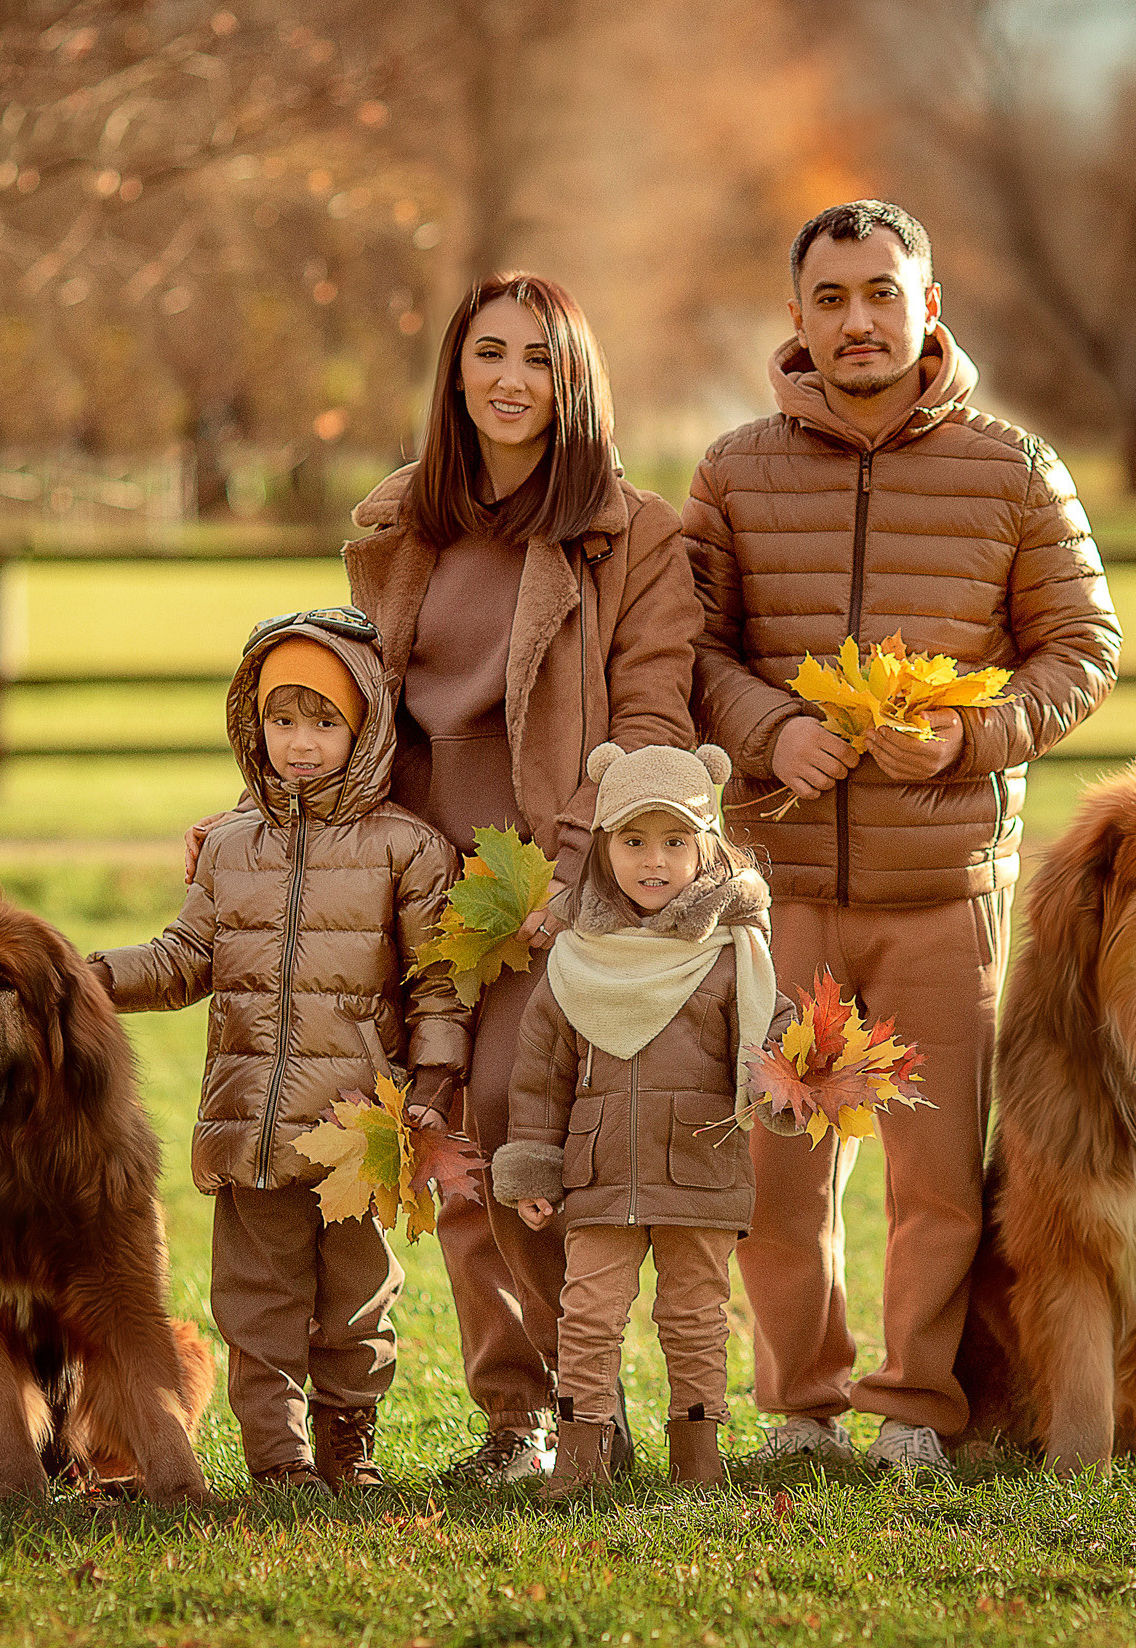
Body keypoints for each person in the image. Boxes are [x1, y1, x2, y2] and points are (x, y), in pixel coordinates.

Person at [193, 272, 701, 1483]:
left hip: (545, 874)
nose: (511, 377)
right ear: (456, 372)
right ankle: (514, 1420)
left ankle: (589, 1398)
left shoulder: (631, 534)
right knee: (445, 1147)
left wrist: (572, 868)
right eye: (487, 352)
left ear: (575, 376)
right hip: (412, 867)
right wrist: (261, 819)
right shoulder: (401, 527)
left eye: (537, 355)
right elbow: (345, 704)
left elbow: (649, 714)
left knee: (526, 1141)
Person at [684, 199, 1123, 1471]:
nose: (858, 320)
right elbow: (692, 649)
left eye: (882, 293)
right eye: (831, 299)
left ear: (928, 306)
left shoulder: (1015, 468)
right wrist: (766, 731)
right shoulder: (732, 470)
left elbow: (1082, 649)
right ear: (797, 319)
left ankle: (913, 1413)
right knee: (777, 1179)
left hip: (943, 890)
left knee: (936, 1182)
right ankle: (806, 1411)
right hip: (775, 890)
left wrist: (970, 742)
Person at [94, 610, 472, 1495]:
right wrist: (92, 977)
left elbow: (439, 984)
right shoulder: (229, 847)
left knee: (356, 1301)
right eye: (281, 720)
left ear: (365, 726)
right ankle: (279, 1461)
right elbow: (185, 959)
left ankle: (349, 1449)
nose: (300, 744)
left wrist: (436, 1083)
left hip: (358, 1130)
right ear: (250, 725)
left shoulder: (405, 850)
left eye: (324, 722)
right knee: (257, 1307)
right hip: (251, 1130)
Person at [491, 742, 791, 1499]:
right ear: (603, 848)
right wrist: (535, 1165)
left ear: (706, 846)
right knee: (586, 1314)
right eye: (632, 841)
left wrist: (801, 1076)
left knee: (694, 1315)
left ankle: (698, 1459)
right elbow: (540, 1077)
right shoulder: (576, 960)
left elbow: (776, 1039)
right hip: (601, 1172)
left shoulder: (734, 959)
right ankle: (582, 1457)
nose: (652, 862)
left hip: (698, 1166)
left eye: (674, 842)